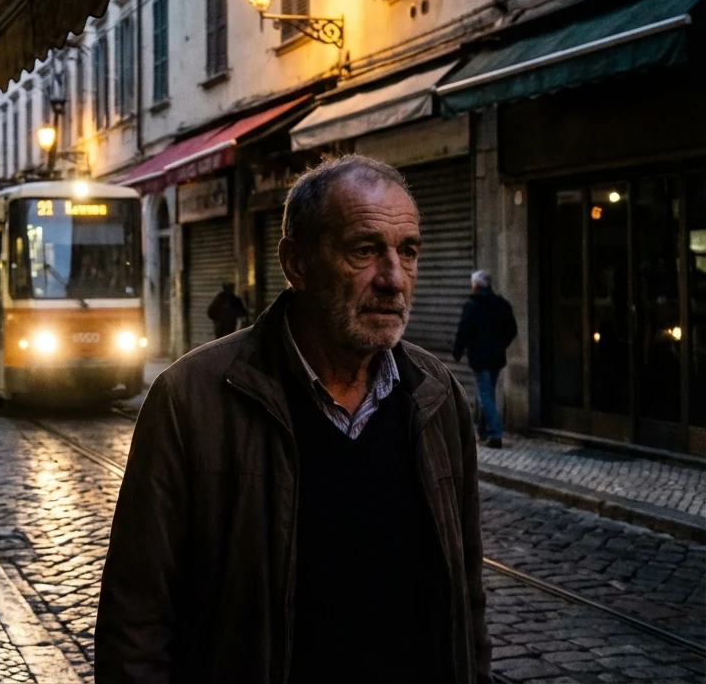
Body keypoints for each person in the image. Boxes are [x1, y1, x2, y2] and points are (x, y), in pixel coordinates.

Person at [97, 155, 490, 684]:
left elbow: (467, 598)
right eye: (364, 250)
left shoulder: (438, 397)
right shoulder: (191, 400)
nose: (394, 279)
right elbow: (136, 619)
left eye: (408, 251)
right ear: (296, 262)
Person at [453, 269, 518, 449]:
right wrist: (500, 345)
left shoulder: (472, 306)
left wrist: (458, 350)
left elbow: (464, 330)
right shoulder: (502, 304)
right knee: (486, 393)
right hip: (496, 358)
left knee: (485, 394)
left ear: (476, 285)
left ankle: (495, 435)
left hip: (479, 358)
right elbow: (512, 330)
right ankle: (481, 432)